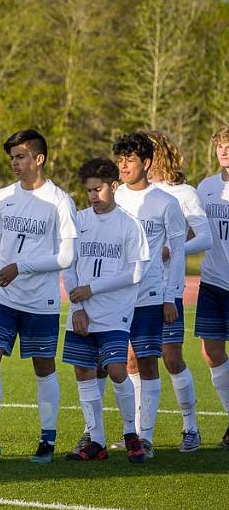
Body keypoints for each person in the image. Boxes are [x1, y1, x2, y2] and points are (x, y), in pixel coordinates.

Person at [0, 130, 76, 465]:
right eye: (12, 157)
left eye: (21, 156)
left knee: (43, 366)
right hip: (4, 299)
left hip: (41, 302)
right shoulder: (2, 198)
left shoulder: (60, 201)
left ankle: (47, 440)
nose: (15, 163)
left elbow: (66, 257)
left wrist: (22, 267)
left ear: (39, 158)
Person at [63, 158, 149, 463]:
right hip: (82, 312)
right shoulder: (79, 221)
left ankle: (130, 434)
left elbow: (134, 273)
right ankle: (96, 439)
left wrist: (93, 289)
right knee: (84, 372)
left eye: (98, 189)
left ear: (114, 186)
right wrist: (77, 306)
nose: (92, 196)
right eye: (88, 191)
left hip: (114, 313)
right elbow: (68, 266)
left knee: (115, 370)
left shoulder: (129, 224)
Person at [110, 132, 186, 459]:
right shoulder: (113, 197)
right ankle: (129, 433)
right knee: (119, 362)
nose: (123, 166)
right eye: (120, 160)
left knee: (146, 360)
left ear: (148, 163)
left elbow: (179, 252)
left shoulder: (166, 202)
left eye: (130, 160)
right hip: (114, 294)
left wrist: (172, 295)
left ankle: (147, 437)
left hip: (151, 293)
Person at [146, 131, 212, 451]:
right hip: (137, 290)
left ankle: (191, 428)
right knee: (134, 360)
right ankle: (138, 433)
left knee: (171, 357)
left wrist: (174, 249)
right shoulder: (135, 195)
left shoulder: (184, 193)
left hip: (168, 289)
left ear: (160, 155)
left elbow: (205, 238)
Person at [195, 125, 229, 450]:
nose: (224, 151)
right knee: (211, 353)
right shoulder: (205, 188)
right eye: (221, 145)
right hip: (212, 282)